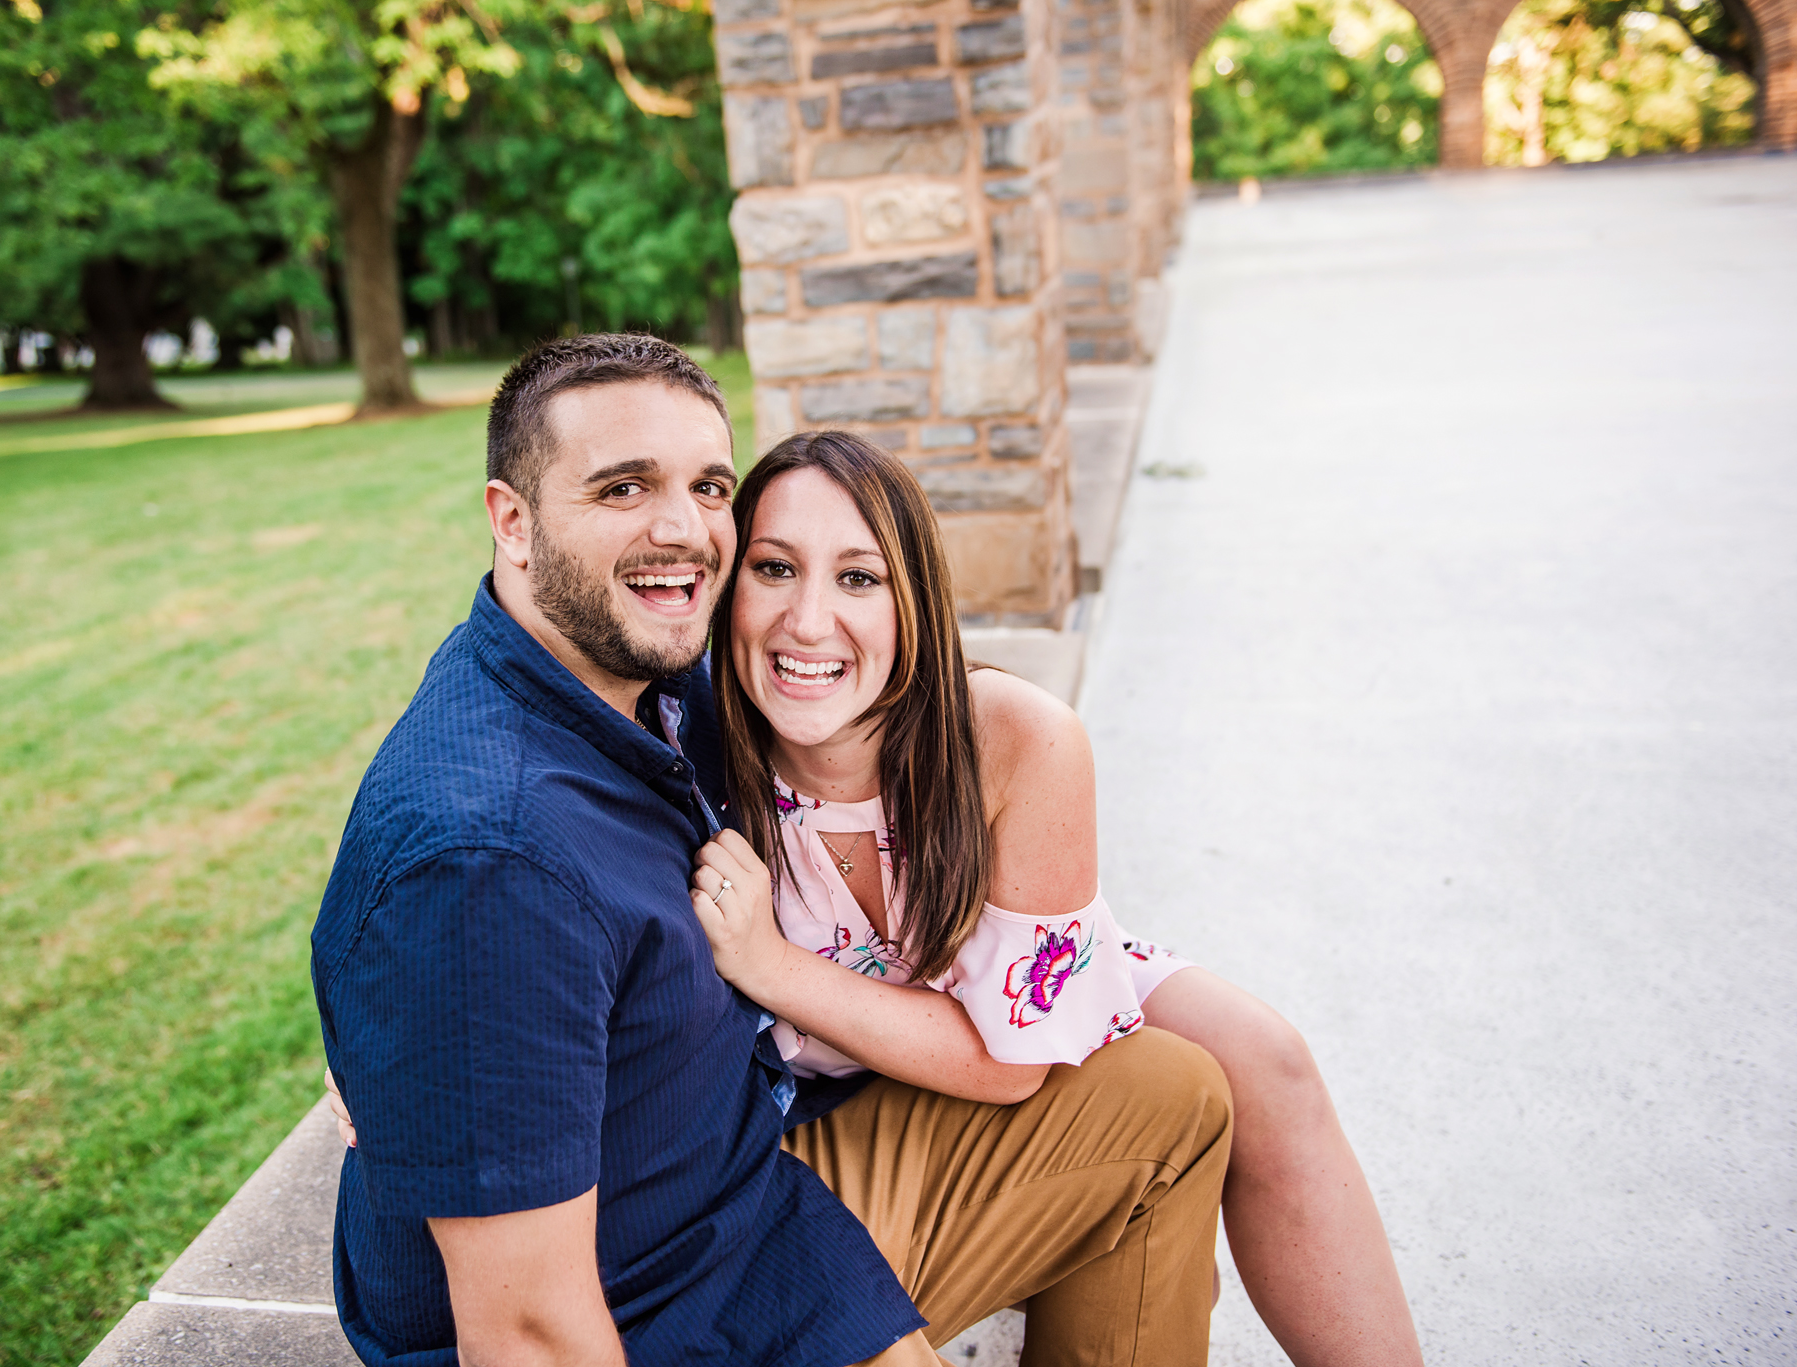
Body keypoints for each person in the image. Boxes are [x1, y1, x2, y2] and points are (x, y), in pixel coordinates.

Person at [311, 335, 1232, 1367]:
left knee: (1171, 1094)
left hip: (732, 1207)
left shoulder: (644, 683)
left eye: (708, 486)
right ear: (511, 522)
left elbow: (845, 685)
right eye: (621, 487)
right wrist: (403, 1029)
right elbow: (529, 1331)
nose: (682, 529)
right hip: (650, 1296)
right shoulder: (489, 862)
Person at [685, 431, 1424, 1367]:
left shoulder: (1013, 737)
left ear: (915, 600)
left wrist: (773, 966)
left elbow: (1012, 1056)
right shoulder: (697, 756)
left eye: (859, 578)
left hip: (997, 1015)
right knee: (1166, 1115)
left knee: (1262, 1059)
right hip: (833, 1100)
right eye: (775, 567)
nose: (807, 619)